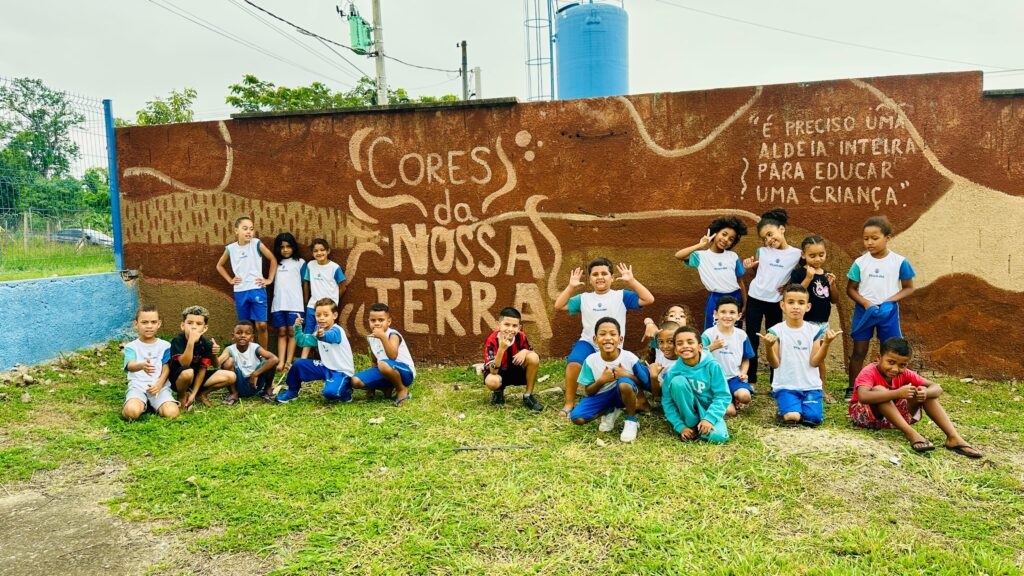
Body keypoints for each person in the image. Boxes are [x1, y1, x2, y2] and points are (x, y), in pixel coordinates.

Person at [554, 258, 654, 418]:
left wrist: (632, 281)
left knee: (624, 370)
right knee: (573, 363)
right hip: (589, 341)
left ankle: (638, 399)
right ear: (590, 279)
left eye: (604, 273)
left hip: (613, 345)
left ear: (612, 277)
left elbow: (649, 299)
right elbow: (559, 305)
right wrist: (571, 287)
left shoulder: (621, 296)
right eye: (595, 274)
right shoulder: (584, 298)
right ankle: (569, 403)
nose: (599, 277)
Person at [849, 337, 982, 458]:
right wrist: (897, 393)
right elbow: (863, 396)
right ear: (878, 358)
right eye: (891, 362)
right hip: (866, 417)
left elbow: (937, 387)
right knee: (879, 390)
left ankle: (953, 438)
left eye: (902, 365)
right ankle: (911, 433)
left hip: (895, 419)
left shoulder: (905, 374)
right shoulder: (869, 371)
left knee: (924, 390)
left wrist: (925, 393)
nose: (895, 369)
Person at [845, 216, 916, 400]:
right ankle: (853, 387)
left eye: (874, 238)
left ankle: (891, 388)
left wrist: (889, 301)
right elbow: (850, 289)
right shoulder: (860, 262)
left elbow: (909, 288)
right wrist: (866, 303)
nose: (869, 242)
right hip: (865, 311)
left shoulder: (899, 262)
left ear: (887, 238)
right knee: (859, 350)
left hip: (888, 312)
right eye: (866, 238)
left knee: (892, 351)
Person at [761, 284, 842, 427]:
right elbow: (775, 364)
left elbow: (815, 362)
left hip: (810, 386)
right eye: (790, 302)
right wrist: (768, 347)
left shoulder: (814, 331)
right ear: (782, 305)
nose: (796, 307)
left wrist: (827, 344)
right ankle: (786, 410)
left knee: (813, 420)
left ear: (808, 307)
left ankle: (799, 407)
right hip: (786, 386)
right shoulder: (776, 331)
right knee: (793, 417)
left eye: (801, 303)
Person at [743, 208, 802, 386]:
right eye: (765, 238)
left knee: (774, 339)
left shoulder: (797, 254)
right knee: (752, 338)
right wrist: (750, 266)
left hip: (776, 302)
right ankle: (751, 379)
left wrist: (790, 285)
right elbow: (761, 272)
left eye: (770, 234)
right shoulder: (762, 251)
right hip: (755, 298)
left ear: (782, 229)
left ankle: (775, 380)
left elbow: (801, 274)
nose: (769, 240)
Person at [569, 317, 651, 443]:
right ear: (595, 340)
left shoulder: (629, 358)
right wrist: (602, 380)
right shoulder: (590, 361)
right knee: (577, 418)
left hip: (624, 391)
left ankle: (631, 420)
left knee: (624, 383)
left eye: (613, 334)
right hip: (602, 395)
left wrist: (626, 374)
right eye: (602, 334)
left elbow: (645, 383)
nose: (608, 338)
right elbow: (588, 392)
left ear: (620, 339)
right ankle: (610, 409)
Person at [674, 216, 749, 329]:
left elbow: (740, 281)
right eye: (724, 234)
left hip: (735, 298)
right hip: (715, 299)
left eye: (731, 239)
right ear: (715, 233)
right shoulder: (701, 256)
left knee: (734, 331)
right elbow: (678, 255)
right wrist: (700, 245)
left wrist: (745, 304)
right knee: (712, 331)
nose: (726, 239)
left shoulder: (733, 257)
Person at [215, 215, 277, 350]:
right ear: (236, 231)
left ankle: (264, 355)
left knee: (261, 325)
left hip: (257, 288)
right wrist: (230, 279)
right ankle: (246, 354)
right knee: (245, 327)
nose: (249, 232)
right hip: (240, 291)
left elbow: (272, 259)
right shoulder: (230, 248)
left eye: (251, 229)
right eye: (245, 228)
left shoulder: (256, 244)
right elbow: (219, 266)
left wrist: (269, 279)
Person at [789, 235, 839, 401]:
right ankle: (797, 389)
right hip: (804, 323)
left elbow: (834, 300)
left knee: (819, 358)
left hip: (822, 324)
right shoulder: (798, 273)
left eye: (821, 254)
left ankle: (822, 389)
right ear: (803, 255)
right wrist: (808, 278)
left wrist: (832, 285)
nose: (818, 259)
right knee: (801, 356)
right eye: (812, 255)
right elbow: (795, 294)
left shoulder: (826, 274)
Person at [276, 298, 354, 403]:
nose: (321, 318)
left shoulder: (337, 331)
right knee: (298, 364)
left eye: (326, 315)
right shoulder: (318, 331)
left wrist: (321, 335)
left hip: (341, 371)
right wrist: (297, 327)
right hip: (325, 367)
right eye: (318, 315)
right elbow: (302, 341)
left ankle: (346, 391)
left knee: (330, 393)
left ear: (334, 316)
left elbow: (330, 336)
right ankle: (292, 391)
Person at [662, 325, 731, 443]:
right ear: (676, 350)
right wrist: (680, 426)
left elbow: (722, 395)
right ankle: (691, 425)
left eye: (690, 342)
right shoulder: (673, 372)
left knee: (718, 437)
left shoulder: (712, 365)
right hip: (686, 415)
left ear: (700, 347)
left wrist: (709, 419)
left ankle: (703, 425)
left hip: (707, 410)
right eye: (679, 343)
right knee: (678, 382)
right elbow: (667, 401)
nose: (685, 346)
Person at [350, 303, 416, 406]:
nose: (376, 323)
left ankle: (401, 389)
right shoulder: (371, 338)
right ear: (369, 321)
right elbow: (374, 361)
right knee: (355, 381)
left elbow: (393, 356)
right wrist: (371, 386)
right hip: (384, 370)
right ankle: (386, 387)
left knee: (383, 364)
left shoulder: (393, 335)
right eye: (373, 320)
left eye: (381, 320)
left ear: (388, 321)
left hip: (405, 372)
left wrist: (383, 337)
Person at [701, 296, 756, 417]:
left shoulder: (741, 335)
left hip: (733, 378)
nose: (727, 316)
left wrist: (743, 372)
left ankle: (732, 396)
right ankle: (726, 399)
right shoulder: (708, 334)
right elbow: (698, 356)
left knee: (745, 397)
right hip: (714, 379)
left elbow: (746, 359)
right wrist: (712, 347)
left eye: (732, 312)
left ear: (739, 316)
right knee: (730, 412)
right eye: (723, 312)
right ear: (715, 314)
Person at [121, 305, 179, 421]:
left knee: (172, 413)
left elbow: (166, 368)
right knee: (131, 413)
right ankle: (139, 403)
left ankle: (154, 403)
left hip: (159, 387)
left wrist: (159, 384)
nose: (149, 326)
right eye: (144, 322)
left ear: (159, 324)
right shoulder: (131, 347)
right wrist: (141, 366)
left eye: (153, 322)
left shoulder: (165, 346)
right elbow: (130, 365)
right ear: (136, 324)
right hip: (138, 386)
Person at [482, 307, 543, 411]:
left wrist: (525, 351)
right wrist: (501, 350)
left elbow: (532, 353)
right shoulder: (492, 340)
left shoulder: (521, 337)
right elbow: (493, 370)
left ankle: (528, 395)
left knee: (533, 357)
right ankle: (498, 392)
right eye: (506, 324)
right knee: (492, 381)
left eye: (514, 326)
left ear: (519, 327)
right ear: (498, 325)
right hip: (499, 372)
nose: (510, 329)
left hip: (516, 370)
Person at [202, 321, 279, 405]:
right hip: (239, 385)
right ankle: (233, 394)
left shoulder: (255, 347)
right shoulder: (230, 349)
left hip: (256, 383)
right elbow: (217, 364)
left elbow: (274, 359)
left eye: (247, 333)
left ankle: (267, 390)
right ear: (233, 336)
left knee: (269, 362)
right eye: (239, 333)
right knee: (228, 362)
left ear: (252, 337)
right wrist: (214, 354)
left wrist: (255, 374)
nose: (243, 335)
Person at [300, 238, 347, 359]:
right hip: (312, 306)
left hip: (328, 308)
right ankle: (303, 359)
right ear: (312, 253)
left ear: (328, 251)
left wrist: (333, 301)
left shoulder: (334, 267)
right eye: (315, 251)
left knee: (325, 332)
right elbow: (306, 282)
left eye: (322, 250)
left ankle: (326, 359)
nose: (319, 253)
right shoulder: (310, 265)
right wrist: (306, 300)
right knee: (308, 332)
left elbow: (343, 286)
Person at [168, 305, 220, 410]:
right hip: (178, 380)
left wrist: (213, 354)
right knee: (188, 372)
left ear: (205, 328)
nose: (194, 327)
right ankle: (182, 395)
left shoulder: (206, 343)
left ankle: (198, 394)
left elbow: (210, 367)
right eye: (190, 323)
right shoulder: (178, 340)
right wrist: (191, 341)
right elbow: (185, 364)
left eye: (199, 324)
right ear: (183, 325)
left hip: (196, 378)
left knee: (229, 376)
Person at [270, 232, 304, 373]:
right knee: (282, 331)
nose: (285, 250)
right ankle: (280, 361)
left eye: (288, 246)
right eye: (282, 247)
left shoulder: (300, 263)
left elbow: (305, 283)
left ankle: (289, 362)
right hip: (279, 303)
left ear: (293, 247)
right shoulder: (275, 263)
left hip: (295, 304)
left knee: (292, 331)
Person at [645, 320, 680, 408]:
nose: (665, 346)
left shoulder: (681, 363)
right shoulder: (659, 350)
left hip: (666, 389)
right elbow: (648, 320)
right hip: (655, 382)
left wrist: (654, 376)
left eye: (670, 341)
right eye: (661, 342)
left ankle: (659, 401)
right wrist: (649, 324)